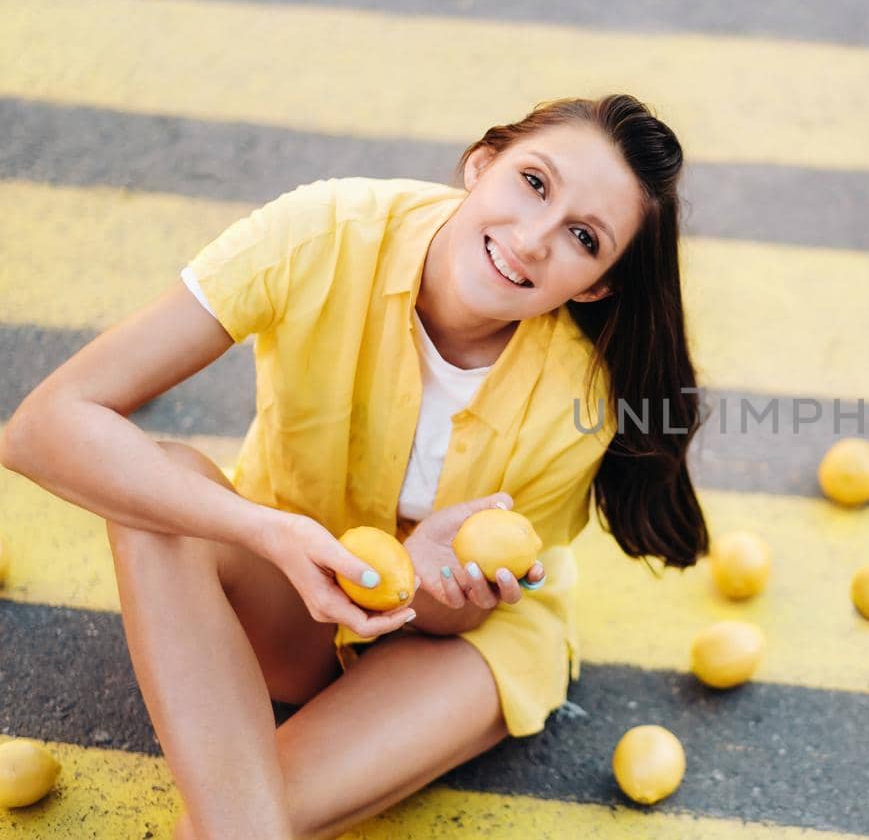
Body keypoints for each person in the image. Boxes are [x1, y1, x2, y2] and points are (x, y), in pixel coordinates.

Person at [0, 94, 708, 838]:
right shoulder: (325, 233)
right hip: (290, 599)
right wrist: (265, 530)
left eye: (583, 237)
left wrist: (431, 577)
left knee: (230, 828)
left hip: (450, 645)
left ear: (597, 285)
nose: (533, 239)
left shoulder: (582, 400)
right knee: (162, 495)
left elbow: (460, 609)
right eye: (533, 182)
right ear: (482, 161)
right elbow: (40, 429)